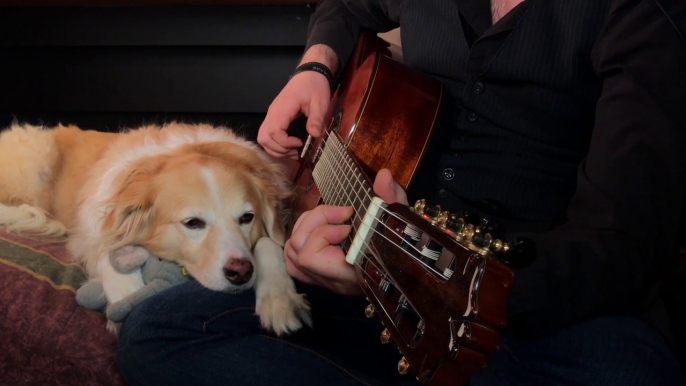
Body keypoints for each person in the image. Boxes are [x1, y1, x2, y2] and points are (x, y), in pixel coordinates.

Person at [116, 0, 686, 385]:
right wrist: (317, 66)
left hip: (531, 303)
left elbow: (621, 241)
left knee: (630, 371)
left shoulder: (640, 12)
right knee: (159, 333)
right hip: (379, 269)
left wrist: (417, 275)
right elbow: (344, 4)